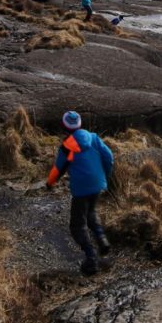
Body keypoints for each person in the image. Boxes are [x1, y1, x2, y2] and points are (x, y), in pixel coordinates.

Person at [46, 110, 113, 275]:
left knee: (77, 225)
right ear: (80, 124)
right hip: (98, 184)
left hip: (81, 190)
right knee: (91, 212)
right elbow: (109, 156)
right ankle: (102, 240)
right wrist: (105, 175)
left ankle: (91, 259)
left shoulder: (67, 147)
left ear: (65, 127)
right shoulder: (94, 138)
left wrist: (49, 183)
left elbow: (58, 169)